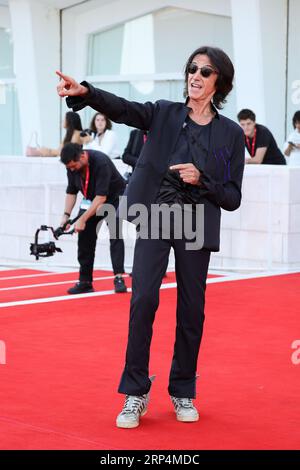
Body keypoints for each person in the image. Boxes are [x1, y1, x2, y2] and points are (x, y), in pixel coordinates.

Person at [56, 45, 245, 428]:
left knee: (192, 310)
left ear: (219, 82)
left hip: (196, 226)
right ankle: (135, 392)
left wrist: (202, 179)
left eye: (205, 72)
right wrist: (87, 93)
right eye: (192, 68)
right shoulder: (163, 113)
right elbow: (123, 108)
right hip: (155, 216)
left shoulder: (229, 135)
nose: (195, 75)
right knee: (142, 300)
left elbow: (233, 197)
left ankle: (182, 390)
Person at [60, 142, 127, 294]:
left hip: (113, 198)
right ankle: (85, 281)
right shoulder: (71, 167)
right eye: (69, 167)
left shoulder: (100, 162)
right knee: (85, 236)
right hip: (92, 200)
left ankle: (118, 278)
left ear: (82, 156)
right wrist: (66, 216)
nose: (72, 169)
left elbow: (101, 197)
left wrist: (82, 219)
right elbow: (71, 192)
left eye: (73, 166)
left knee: (115, 235)